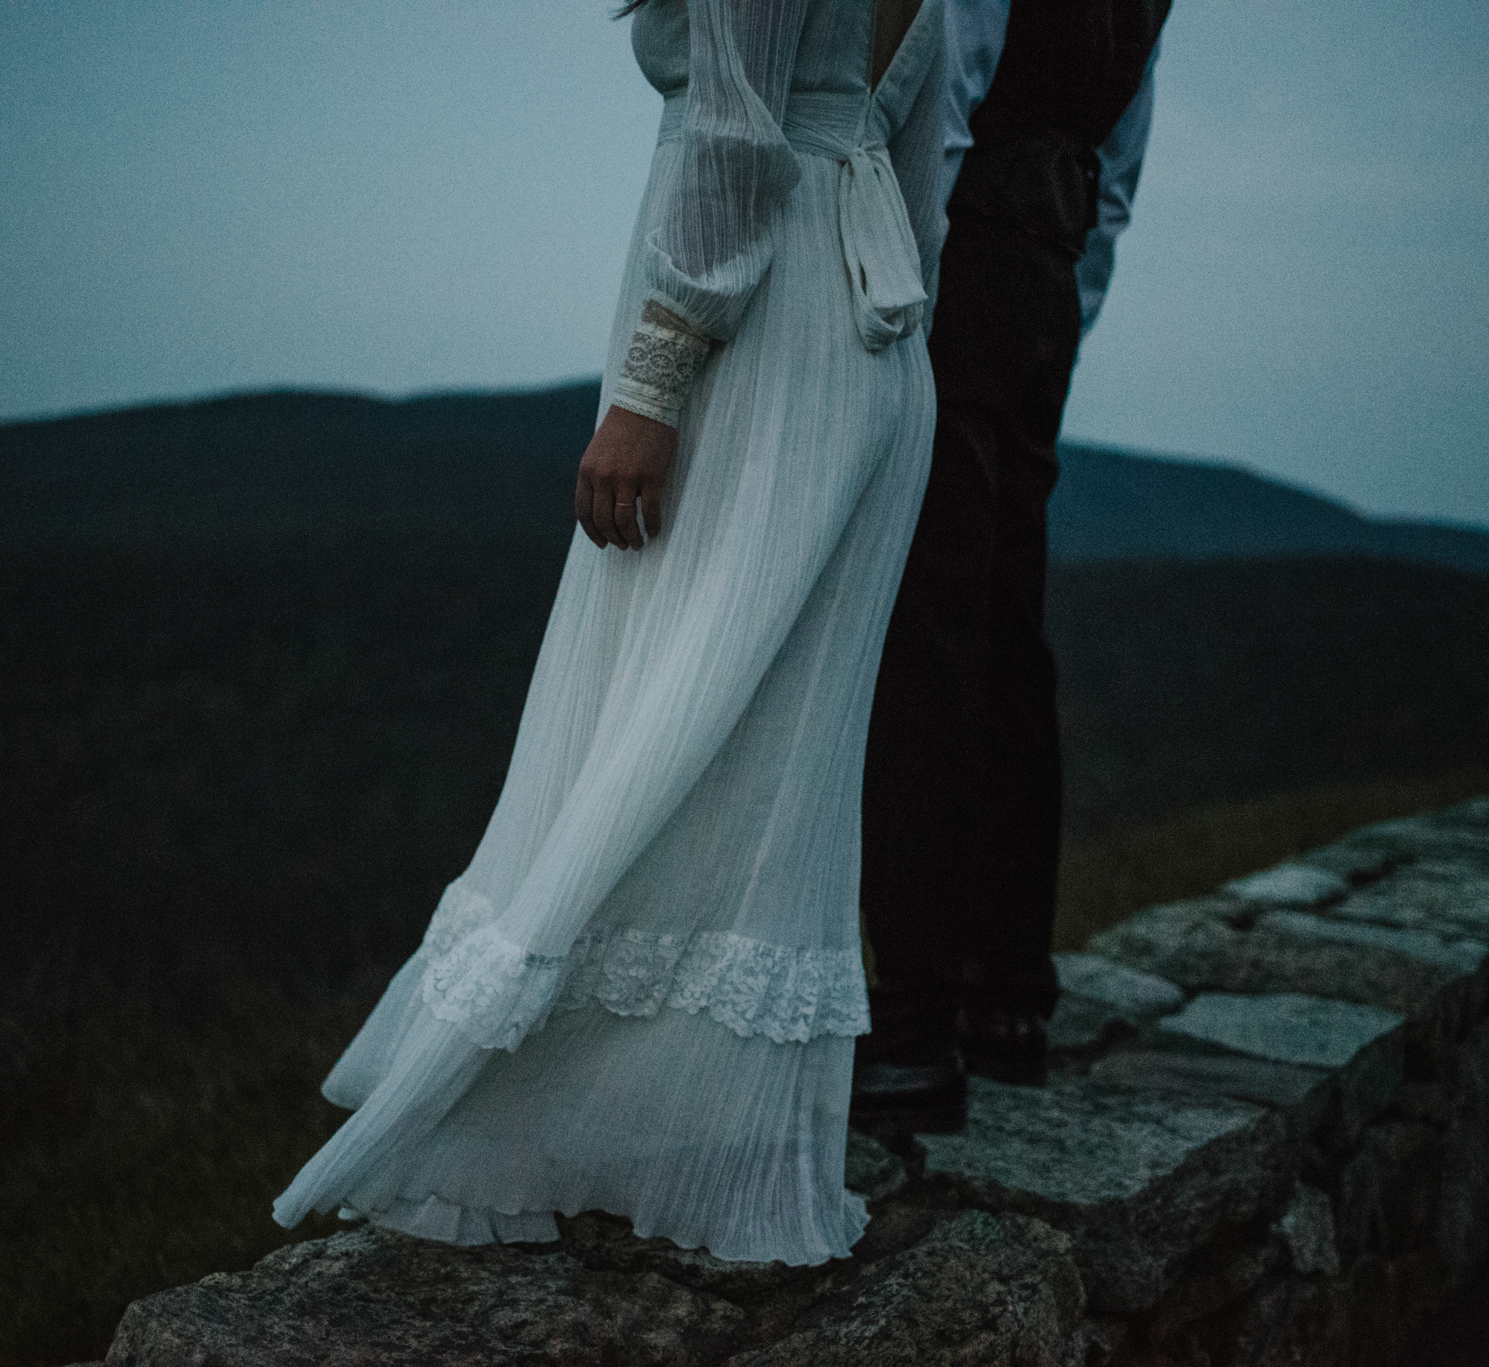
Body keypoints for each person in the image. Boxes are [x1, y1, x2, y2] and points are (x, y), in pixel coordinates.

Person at [273, 0, 962, 1267]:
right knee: (762, 748)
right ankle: (701, 1133)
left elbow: (735, 133)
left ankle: (555, 1108)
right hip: (874, 331)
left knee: (649, 707)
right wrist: (889, 342)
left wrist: (651, 382)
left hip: (756, 338)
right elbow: (929, 154)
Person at [854, 0, 1170, 1132]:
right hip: (1040, 278)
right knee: (999, 629)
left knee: (928, 640)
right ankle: (1005, 997)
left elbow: (947, 95)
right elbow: (1114, 178)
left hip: (964, 263)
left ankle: (911, 1026)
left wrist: (905, 307)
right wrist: (1063, 317)